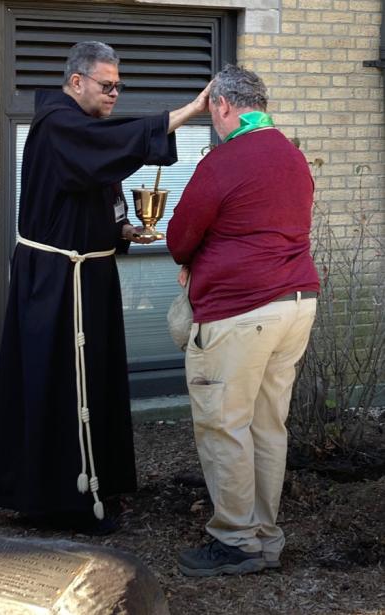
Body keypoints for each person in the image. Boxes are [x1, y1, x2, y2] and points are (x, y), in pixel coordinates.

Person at [0, 41, 210, 533]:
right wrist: (192, 109)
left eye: (118, 86)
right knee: (62, 383)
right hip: (59, 281)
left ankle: (94, 484)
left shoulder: (79, 131)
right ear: (76, 82)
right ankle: (62, 500)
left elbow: (83, 194)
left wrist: (121, 230)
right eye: (107, 85)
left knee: (92, 378)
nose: (114, 94)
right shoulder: (59, 125)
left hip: (87, 274)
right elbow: (110, 147)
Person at [167, 64, 320, 574]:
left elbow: (179, 239)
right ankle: (264, 537)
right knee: (267, 425)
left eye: (211, 108)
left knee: (224, 424)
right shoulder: (292, 156)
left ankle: (236, 541)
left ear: (223, 106)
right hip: (296, 304)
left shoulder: (224, 160)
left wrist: (197, 256)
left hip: (240, 311)